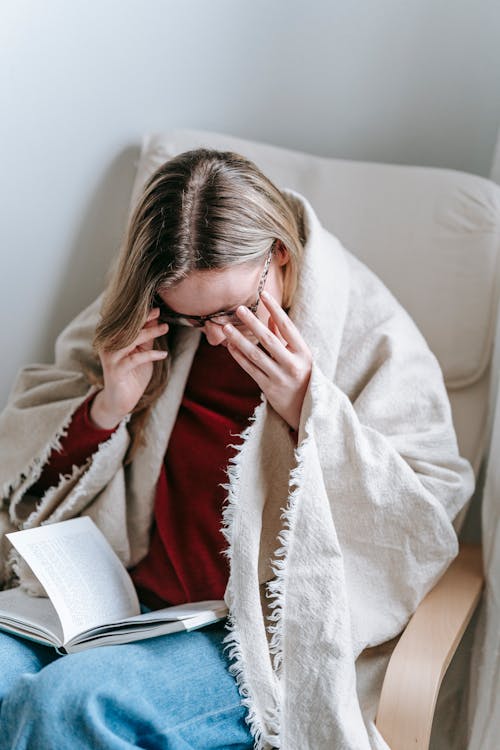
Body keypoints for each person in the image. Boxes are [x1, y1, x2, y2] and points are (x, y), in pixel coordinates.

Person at [0, 148, 475, 750]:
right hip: (119, 600)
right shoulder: (161, 309)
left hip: (248, 634)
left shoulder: (372, 336)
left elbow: (424, 519)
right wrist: (108, 406)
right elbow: (27, 454)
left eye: (237, 310)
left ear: (279, 254)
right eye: (195, 320)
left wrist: (310, 410)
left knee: (71, 707)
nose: (219, 335)